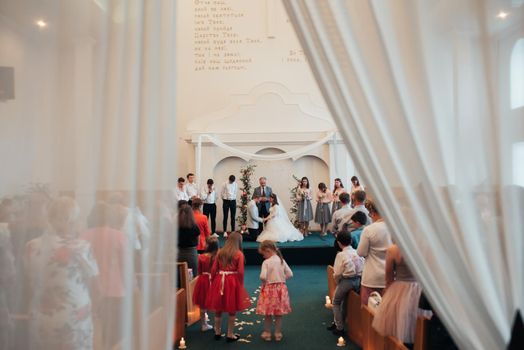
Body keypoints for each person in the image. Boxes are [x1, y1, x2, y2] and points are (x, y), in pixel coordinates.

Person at [26, 197, 99, 350]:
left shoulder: (31, 246)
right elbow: (94, 284)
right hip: (73, 315)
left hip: (41, 315)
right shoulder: (81, 247)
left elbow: (30, 281)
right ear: (70, 220)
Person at [81, 201, 127, 349]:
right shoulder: (119, 236)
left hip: (89, 291)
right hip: (115, 289)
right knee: (114, 334)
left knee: (93, 332)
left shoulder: (83, 237)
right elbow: (125, 265)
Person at [372, 244, 424, 346]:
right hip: (420, 291)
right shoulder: (424, 248)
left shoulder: (394, 249)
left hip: (400, 291)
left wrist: (387, 296)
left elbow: (389, 278)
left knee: (400, 326)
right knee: (419, 328)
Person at [207, 232, 251, 342]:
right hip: (232, 281)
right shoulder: (239, 254)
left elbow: (213, 269)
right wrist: (240, 284)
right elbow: (240, 271)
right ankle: (230, 334)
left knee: (218, 307)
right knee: (232, 308)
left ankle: (217, 332)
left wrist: (213, 281)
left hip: (219, 280)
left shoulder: (220, 252)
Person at [327, 231, 364, 336]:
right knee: (344, 302)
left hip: (347, 281)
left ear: (338, 243)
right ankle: (338, 322)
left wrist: (338, 282)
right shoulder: (357, 252)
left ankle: (339, 327)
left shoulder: (341, 255)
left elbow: (337, 273)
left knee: (336, 302)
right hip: (359, 281)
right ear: (351, 241)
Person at [256, 241, 293, 342]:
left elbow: (262, 276)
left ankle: (267, 333)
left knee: (268, 313)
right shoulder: (281, 260)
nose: (263, 257)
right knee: (278, 313)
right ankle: (278, 333)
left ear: (268, 251)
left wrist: (265, 282)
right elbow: (290, 274)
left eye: (263, 254)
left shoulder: (266, 262)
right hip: (281, 289)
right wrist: (281, 279)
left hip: (269, 289)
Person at [357, 200, 392, 304]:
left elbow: (361, 253)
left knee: (369, 311)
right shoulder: (395, 228)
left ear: (372, 212)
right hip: (390, 274)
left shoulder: (369, 230)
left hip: (372, 276)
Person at [193, 236, 219, 332]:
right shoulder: (217, 257)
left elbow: (199, 270)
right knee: (216, 303)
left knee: (202, 303)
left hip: (203, 280)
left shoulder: (201, 257)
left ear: (208, 246)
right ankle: (217, 325)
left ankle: (204, 324)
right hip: (214, 280)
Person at [177, 205, 200, 274]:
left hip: (179, 253)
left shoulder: (176, 227)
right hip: (191, 254)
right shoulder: (194, 227)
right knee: (193, 275)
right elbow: (198, 241)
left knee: (180, 276)